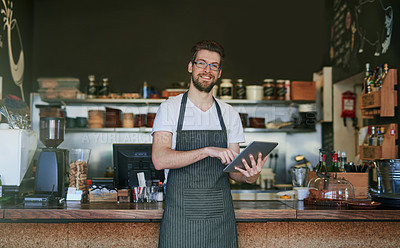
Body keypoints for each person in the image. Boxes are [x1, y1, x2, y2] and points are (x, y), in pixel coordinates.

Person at [152, 40, 268, 248]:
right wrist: (206, 150)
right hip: (180, 216)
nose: (207, 70)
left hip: (219, 218)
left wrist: (250, 176)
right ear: (191, 67)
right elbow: (160, 159)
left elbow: (235, 172)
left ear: (219, 72)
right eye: (202, 63)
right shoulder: (169, 108)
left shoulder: (229, 114)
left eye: (214, 65)